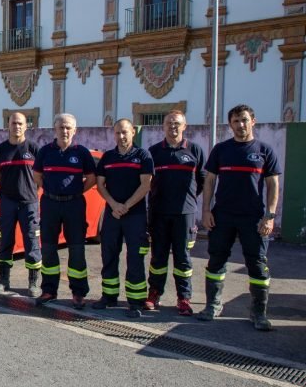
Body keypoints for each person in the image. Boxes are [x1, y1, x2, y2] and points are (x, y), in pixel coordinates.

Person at [199, 104, 281, 331]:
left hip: (253, 217)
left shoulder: (264, 151)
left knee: (257, 264)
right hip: (222, 215)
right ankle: (212, 305)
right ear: (230, 124)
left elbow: (273, 184)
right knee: (216, 260)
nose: (240, 124)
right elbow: (210, 181)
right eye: (235, 121)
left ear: (252, 121)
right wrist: (206, 210)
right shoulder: (221, 150)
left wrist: (270, 216)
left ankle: (258, 313)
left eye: (244, 120)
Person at [32, 113, 96, 309]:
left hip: (74, 205)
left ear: (75, 130)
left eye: (69, 127)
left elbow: (92, 178)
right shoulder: (45, 151)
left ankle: (78, 293)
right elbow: (37, 176)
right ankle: (49, 290)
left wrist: (75, 192)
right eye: (61, 127)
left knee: (77, 249)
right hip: (50, 204)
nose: (65, 131)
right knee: (49, 248)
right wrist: (53, 191)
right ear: (55, 129)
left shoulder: (82, 153)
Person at [146, 110, 206, 315]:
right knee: (158, 257)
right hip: (159, 213)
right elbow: (147, 182)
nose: (173, 127)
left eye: (177, 123)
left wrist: (188, 199)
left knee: (183, 259)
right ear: (163, 126)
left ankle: (184, 298)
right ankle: (154, 293)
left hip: (184, 215)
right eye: (169, 123)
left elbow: (202, 181)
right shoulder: (154, 152)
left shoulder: (195, 150)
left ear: (185, 126)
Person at [94, 118, 154, 318]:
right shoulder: (108, 157)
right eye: (118, 133)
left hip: (134, 215)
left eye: (125, 132)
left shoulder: (143, 156)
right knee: (109, 254)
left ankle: (135, 301)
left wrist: (125, 206)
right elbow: (101, 185)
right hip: (112, 214)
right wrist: (113, 204)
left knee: (135, 258)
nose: (121, 136)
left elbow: (146, 185)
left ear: (133, 132)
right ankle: (108, 296)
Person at [0, 112, 42, 297]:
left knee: (32, 242)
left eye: (20, 123)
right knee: (5, 240)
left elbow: (40, 176)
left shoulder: (34, 148)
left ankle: (34, 282)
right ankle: (3, 280)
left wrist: (34, 193)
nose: (17, 126)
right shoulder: (0, 150)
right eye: (13, 123)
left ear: (26, 126)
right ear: (8, 125)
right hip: (8, 202)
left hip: (29, 203)